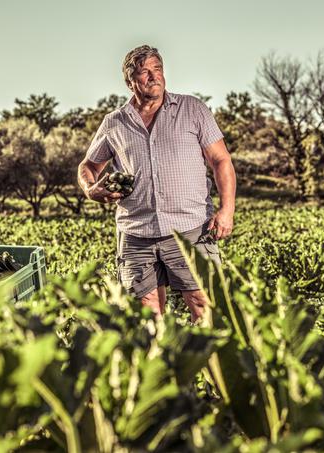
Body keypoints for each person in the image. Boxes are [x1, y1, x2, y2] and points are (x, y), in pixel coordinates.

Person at [77, 45, 236, 322]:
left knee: (204, 307)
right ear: (130, 82)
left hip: (190, 228)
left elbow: (221, 160)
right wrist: (91, 188)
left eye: (157, 69)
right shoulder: (114, 122)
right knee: (146, 317)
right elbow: (88, 166)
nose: (154, 77)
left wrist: (227, 210)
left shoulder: (192, 109)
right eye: (144, 72)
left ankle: (209, 366)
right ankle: (159, 363)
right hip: (136, 233)